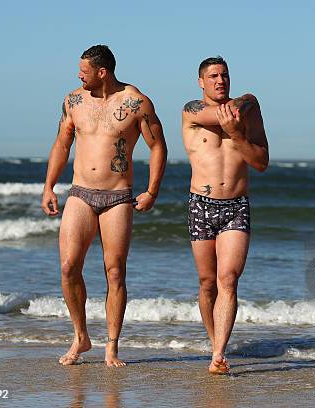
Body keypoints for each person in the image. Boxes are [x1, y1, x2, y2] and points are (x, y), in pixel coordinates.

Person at [41, 45, 167, 367]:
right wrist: (49, 186)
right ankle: (81, 336)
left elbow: (157, 146)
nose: (78, 75)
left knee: (114, 273)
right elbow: (62, 143)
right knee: (69, 267)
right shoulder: (73, 101)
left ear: (102, 72)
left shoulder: (136, 102)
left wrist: (152, 191)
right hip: (80, 193)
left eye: (83, 70)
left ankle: (112, 346)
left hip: (118, 196)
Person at [181, 56, 268, 374]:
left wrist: (240, 134)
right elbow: (222, 116)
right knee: (207, 283)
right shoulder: (191, 111)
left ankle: (218, 354)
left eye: (225, 75)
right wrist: (244, 107)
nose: (220, 81)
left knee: (228, 280)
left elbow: (261, 162)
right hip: (200, 205)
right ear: (201, 81)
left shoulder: (246, 113)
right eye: (213, 76)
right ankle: (213, 339)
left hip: (236, 206)